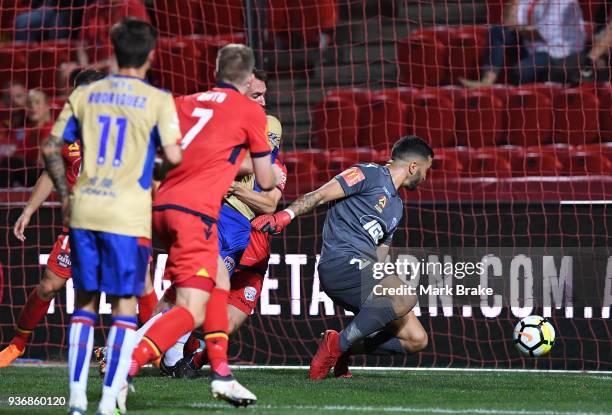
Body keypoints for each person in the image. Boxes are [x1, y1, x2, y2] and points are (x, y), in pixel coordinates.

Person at [41, 18, 182, 415]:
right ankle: (107, 400)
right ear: (151, 55)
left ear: (113, 51)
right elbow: (172, 159)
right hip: (127, 215)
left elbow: (52, 148)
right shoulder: (158, 100)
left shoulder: (86, 93)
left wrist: (66, 195)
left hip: (86, 211)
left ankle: (75, 400)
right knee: (123, 308)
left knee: (84, 307)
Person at [128, 44, 277, 407]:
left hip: (160, 206)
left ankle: (221, 373)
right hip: (194, 212)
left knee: (219, 284)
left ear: (215, 69)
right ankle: (126, 362)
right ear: (248, 77)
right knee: (193, 308)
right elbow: (266, 180)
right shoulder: (251, 113)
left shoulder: (184, 101)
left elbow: (160, 151)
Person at [253, 136, 433, 380]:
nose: (425, 177)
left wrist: (384, 294)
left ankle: (343, 348)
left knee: (416, 339)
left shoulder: (396, 207)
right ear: (413, 167)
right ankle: (335, 346)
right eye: (425, 170)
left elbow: (379, 256)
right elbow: (319, 195)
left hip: (364, 270)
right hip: (338, 264)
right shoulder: (366, 174)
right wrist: (284, 216)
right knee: (405, 295)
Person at [153, 68, 288, 378]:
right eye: (257, 95)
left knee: (212, 308)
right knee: (193, 293)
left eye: (265, 95)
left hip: (244, 233)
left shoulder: (269, 131)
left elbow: (267, 196)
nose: (264, 101)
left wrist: (230, 179)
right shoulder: (221, 123)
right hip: (217, 218)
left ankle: (168, 352)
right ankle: (147, 351)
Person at [0, 69, 105, 369]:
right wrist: (29, 210)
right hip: (79, 228)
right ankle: (17, 344)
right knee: (47, 286)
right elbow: (50, 171)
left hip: (116, 226)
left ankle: (158, 351)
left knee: (138, 286)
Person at [461, 0, 586, 87]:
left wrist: (518, 29)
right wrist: (514, 2)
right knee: (497, 32)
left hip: (558, 51)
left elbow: (543, 33)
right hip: (532, 44)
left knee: (521, 71)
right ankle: (487, 80)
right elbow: (507, 24)